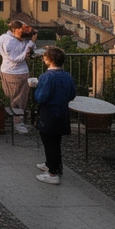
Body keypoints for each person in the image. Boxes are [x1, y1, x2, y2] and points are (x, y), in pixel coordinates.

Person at [34, 46, 77, 185]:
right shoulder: (67, 76)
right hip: (62, 112)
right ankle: (55, 165)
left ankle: (53, 173)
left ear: (49, 60)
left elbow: (41, 97)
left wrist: (35, 88)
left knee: (48, 142)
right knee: (56, 142)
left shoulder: (46, 77)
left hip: (49, 113)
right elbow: (72, 94)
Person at [0, 20, 35, 134]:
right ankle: (18, 124)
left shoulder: (9, 38)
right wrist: (28, 47)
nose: (25, 32)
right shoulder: (9, 41)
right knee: (17, 99)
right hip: (14, 73)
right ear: (15, 29)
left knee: (19, 99)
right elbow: (15, 58)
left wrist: (30, 42)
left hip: (14, 72)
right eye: (23, 30)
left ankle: (17, 122)